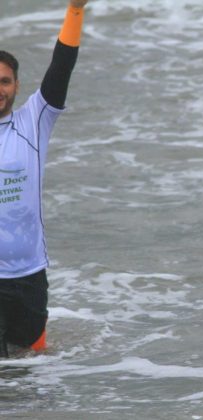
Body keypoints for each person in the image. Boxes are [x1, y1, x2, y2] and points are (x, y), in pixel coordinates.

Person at [0, 0, 90, 357]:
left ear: (17, 86)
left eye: (5, 81)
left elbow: (62, 65)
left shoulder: (35, 120)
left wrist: (75, 10)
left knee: (28, 376)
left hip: (28, 277)